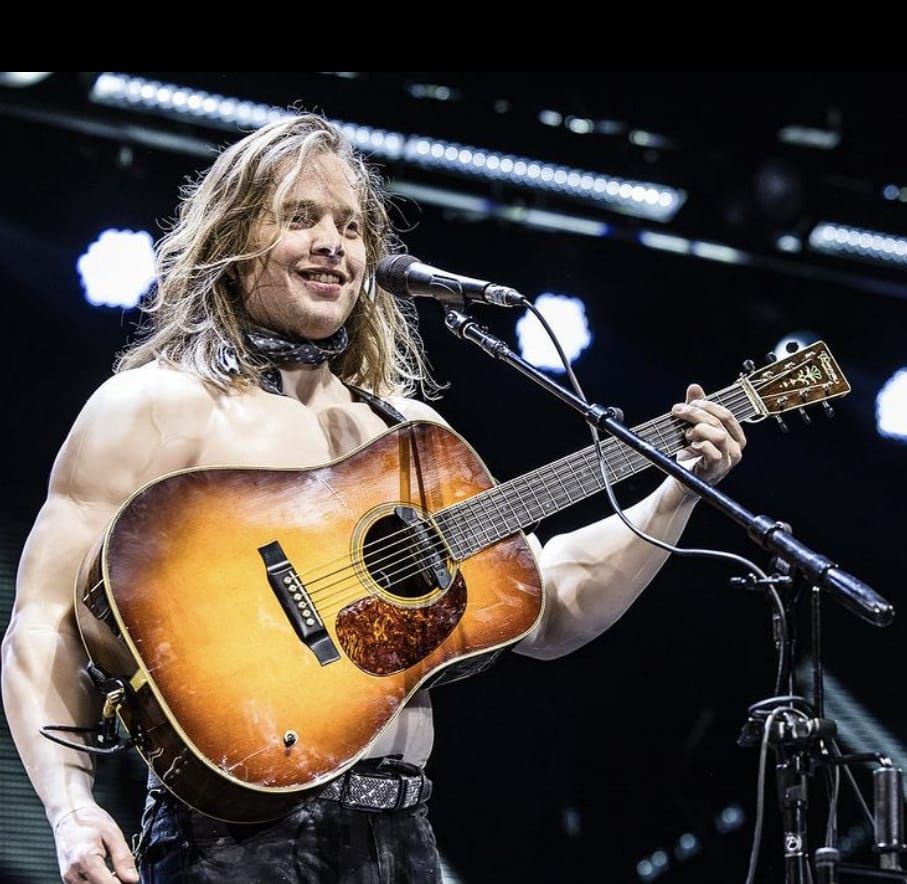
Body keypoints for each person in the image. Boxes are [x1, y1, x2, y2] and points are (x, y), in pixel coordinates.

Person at [1, 113, 746, 883]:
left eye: (351, 225)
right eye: (300, 218)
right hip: (229, 843)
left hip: (403, 838)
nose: (334, 242)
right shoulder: (155, 407)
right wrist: (70, 805)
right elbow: (43, 622)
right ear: (231, 239)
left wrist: (675, 494)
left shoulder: (412, 435)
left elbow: (549, 606)